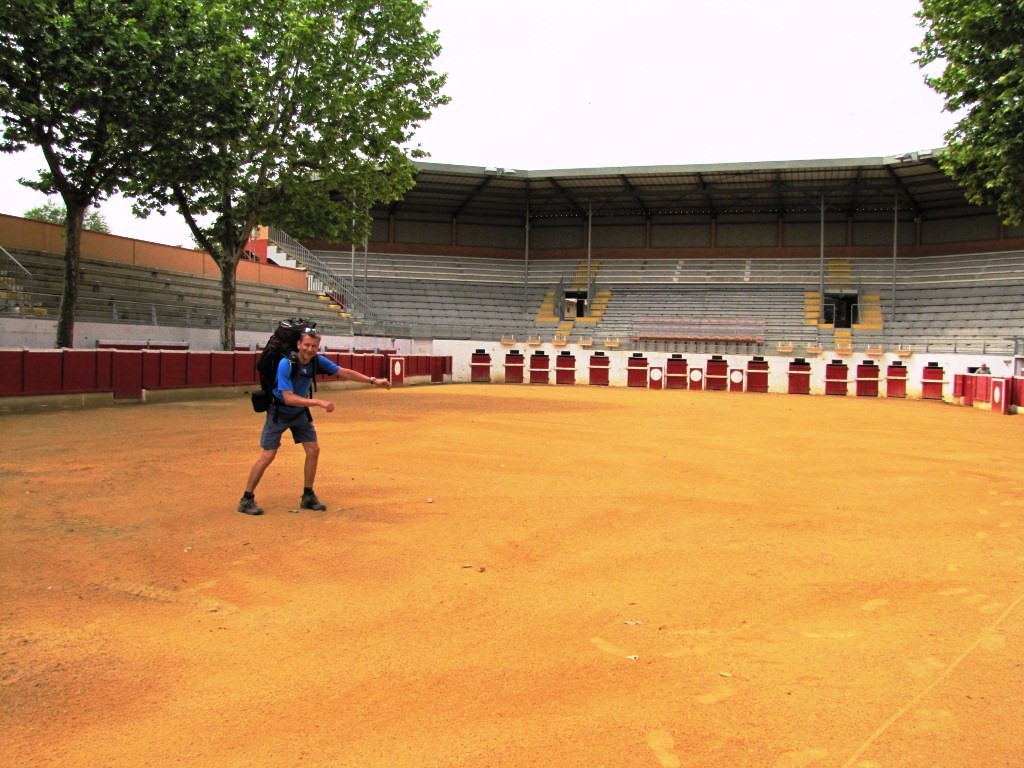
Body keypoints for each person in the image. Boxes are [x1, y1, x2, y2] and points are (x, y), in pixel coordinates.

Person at [238, 328, 391, 516]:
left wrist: (373, 381)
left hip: (300, 413)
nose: (310, 349)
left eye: (314, 346)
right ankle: (247, 498)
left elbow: (344, 372)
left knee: (313, 450)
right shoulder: (286, 364)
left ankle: (308, 495)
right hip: (279, 412)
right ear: (299, 345)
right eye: (307, 345)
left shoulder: (316, 361)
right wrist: (317, 402)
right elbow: (288, 398)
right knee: (268, 455)